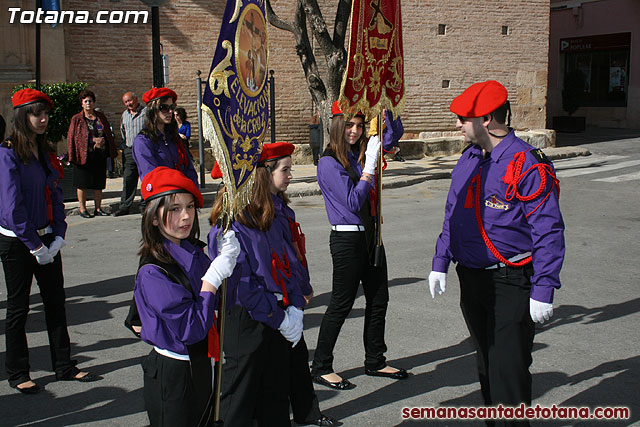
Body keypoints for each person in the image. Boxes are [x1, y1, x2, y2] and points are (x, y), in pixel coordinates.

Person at [428, 80, 565, 423]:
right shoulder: (470, 158)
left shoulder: (526, 164)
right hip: (472, 280)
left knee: (508, 374)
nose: (457, 124)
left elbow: (548, 230)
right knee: (487, 368)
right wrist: (440, 261)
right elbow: (453, 214)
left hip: (510, 283)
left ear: (486, 119)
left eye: (463, 117)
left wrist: (544, 288)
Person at [0, 89, 101, 394]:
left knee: (55, 303)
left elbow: (55, 194)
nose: (43, 119)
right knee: (18, 308)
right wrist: (35, 245)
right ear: (22, 116)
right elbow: (11, 208)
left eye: (45, 114)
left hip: (46, 238)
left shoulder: (44, 152)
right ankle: (18, 371)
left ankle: (64, 365)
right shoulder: (7, 153)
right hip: (19, 242)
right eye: (36, 114)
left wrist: (58, 234)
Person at [208, 143, 307, 426]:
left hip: (274, 314)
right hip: (246, 320)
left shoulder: (265, 216)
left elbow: (287, 264)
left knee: (274, 400)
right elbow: (243, 284)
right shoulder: (227, 227)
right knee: (238, 402)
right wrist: (279, 317)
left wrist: (295, 305)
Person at [310, 102, 407, 390]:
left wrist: (388, 104)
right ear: (337, 125)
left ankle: (375, 360)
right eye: (349, 125)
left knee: (379, 299)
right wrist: (369, 169)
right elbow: (353, 202)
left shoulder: (357, 154)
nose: (354, 131)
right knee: (342, 303)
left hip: (371, 235)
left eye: (360, 125)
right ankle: (322, 365)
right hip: (347, 238)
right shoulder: (328, 162)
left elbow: (392, 136)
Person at [135, 166, 240, 426]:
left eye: (190, 207)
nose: (186, 217)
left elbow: (223, 300)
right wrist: (211, 280)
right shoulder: (154, 272)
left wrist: (229, 257)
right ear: (154, 218)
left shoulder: (192, 252)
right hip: (175, 371)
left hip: (202, 362)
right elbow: (191, 328)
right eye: (174, 209)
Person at [133, 87, 198, 190]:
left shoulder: (174, 138)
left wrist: (193, 192)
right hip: (162, 197)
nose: (170, 111)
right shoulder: (143, 141)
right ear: (153, 110)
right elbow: (151, 175)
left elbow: (189, 168)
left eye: (172, 107)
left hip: (184, 196)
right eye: (164, 108)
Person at [67, 89, 117, 218]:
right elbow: (73, 137)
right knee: (82, 183)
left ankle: (98, 208)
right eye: (86, 101)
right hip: (83, 155)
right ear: (82, 104)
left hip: (98, 155)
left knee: (98, 183)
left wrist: (103, 141)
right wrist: (91, 140)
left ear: (94, 103)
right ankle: (83, 209)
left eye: (90, 101)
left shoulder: (100, 116)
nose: (88, 103)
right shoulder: (77, 119)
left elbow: (107, 134)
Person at [113, 91, 145, 217]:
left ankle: (144, 205)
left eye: (130, 100)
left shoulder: (145, 112)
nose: (129, 104)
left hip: (144, 151)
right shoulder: (124, 115)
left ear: (136, 99)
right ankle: (125, 206)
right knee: (128, 178)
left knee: (145, 178)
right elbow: (123, 131)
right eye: (126, 102)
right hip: (130, 150)